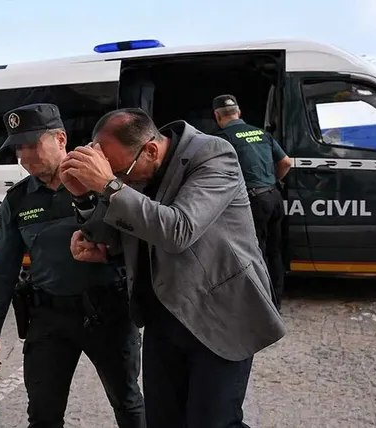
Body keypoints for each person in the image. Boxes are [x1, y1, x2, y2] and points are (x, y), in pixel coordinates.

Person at [59, 108, 287, 428]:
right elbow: (116, 229)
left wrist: (109, 185)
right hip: (163, 314)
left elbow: (177, 230)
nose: (124, 181)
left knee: (213, 423)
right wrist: (84, 199)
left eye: (123, 173)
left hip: (218, 312)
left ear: (151, 150)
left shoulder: (213, 155)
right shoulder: (132, 168)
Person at [0, 103, 145, 428]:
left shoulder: (102, 183)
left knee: (128, 404)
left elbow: (139, 242)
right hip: (49, 318)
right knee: (43, 414)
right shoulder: (18, 200)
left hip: (109, 313)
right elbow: (2, 269)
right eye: (18, 148)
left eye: (32, 144)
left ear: (61, 139)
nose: (25, 157)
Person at [211, 94, 292, 311]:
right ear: (239, 112)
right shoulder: (262, 133)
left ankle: (261, 306)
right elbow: (286, 162)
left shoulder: (221, 139)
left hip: (253, 201)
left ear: (217, 116)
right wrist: (273, 181)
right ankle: (276, 304)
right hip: (274, 196)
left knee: (255, 253)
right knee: (274, 252)